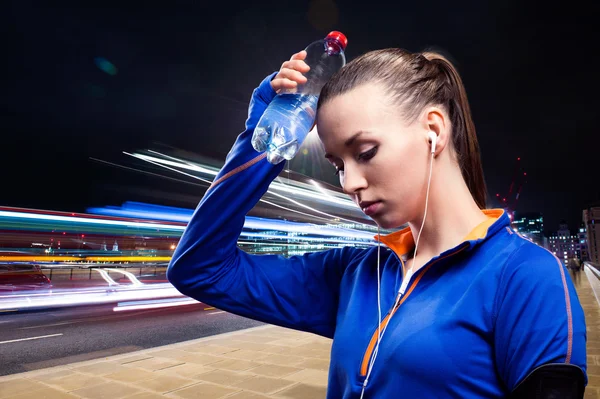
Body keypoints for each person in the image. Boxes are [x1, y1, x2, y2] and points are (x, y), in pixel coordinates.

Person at [167, 47, 587, 398]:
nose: (350, 182)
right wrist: (261, 143)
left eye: (365, 152)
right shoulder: (355, 274)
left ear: (434, 130)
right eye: (337, 165)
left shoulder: (527, 277)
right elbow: (200, 268)